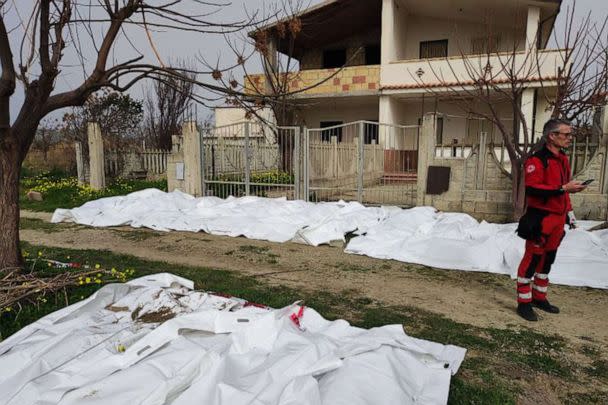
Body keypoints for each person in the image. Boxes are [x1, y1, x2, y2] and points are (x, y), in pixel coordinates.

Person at [515, 118, 587, 322]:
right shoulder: (536, 160)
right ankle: (524, 302)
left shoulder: (563, 158)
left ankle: (539, 297)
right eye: (566, 134)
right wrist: (563, 189)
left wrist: (570, 212)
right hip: (541, 218)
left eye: (570, 134)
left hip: (558, 219)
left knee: (548, 259)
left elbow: (563, 188)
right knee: (532, 259)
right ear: (551, 136)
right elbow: (533, 189)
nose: (569, 138)